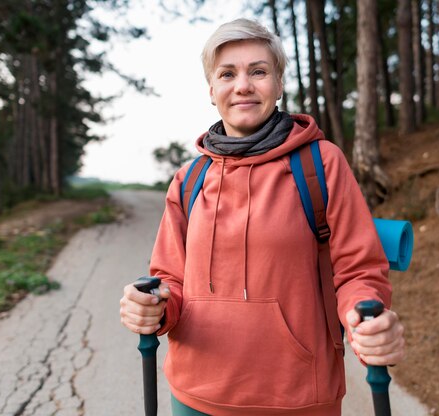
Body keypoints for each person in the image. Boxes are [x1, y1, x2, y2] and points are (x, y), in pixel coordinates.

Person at [120, 18, 405, 416]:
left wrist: (365, 320)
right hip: (194, 394)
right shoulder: (189, 179)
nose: (243, 86)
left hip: (298, 396)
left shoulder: (320, 164)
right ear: (211, 90)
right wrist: (152, 307)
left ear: (278, 82)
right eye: (227, 74)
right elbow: (170, 280)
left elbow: (358, 272)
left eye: (258, 71)